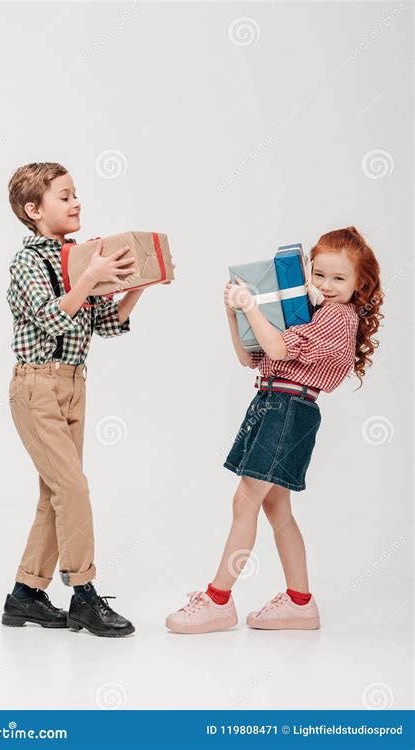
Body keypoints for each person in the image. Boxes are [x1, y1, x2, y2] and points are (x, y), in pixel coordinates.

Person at [166, 226, 383, 634]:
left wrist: (250, 307)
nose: (327, 285)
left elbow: (280, 349)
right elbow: (250, 357)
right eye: (319, 274)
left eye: (339, 278)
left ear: (360, 284)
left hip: (287, 407)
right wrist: (234, 312)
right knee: (275, 507)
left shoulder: (337, 316)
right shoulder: (310, 311)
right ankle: (300, 603)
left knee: (244, 501)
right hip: (273, 403)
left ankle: (218, 600)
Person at [3, 161, 146, 637]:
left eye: (75, 194)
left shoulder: (80, 258)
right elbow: (53, 319)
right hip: (36, 386)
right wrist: (91, 277)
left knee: (56, 492)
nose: (76, 202)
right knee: (73, 488)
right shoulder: (28, 263)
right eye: (64, 197)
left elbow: (103, 324)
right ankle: (83, 594)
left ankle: (25, 595)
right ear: (34, 210)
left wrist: (135, 287)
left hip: (73, 384)